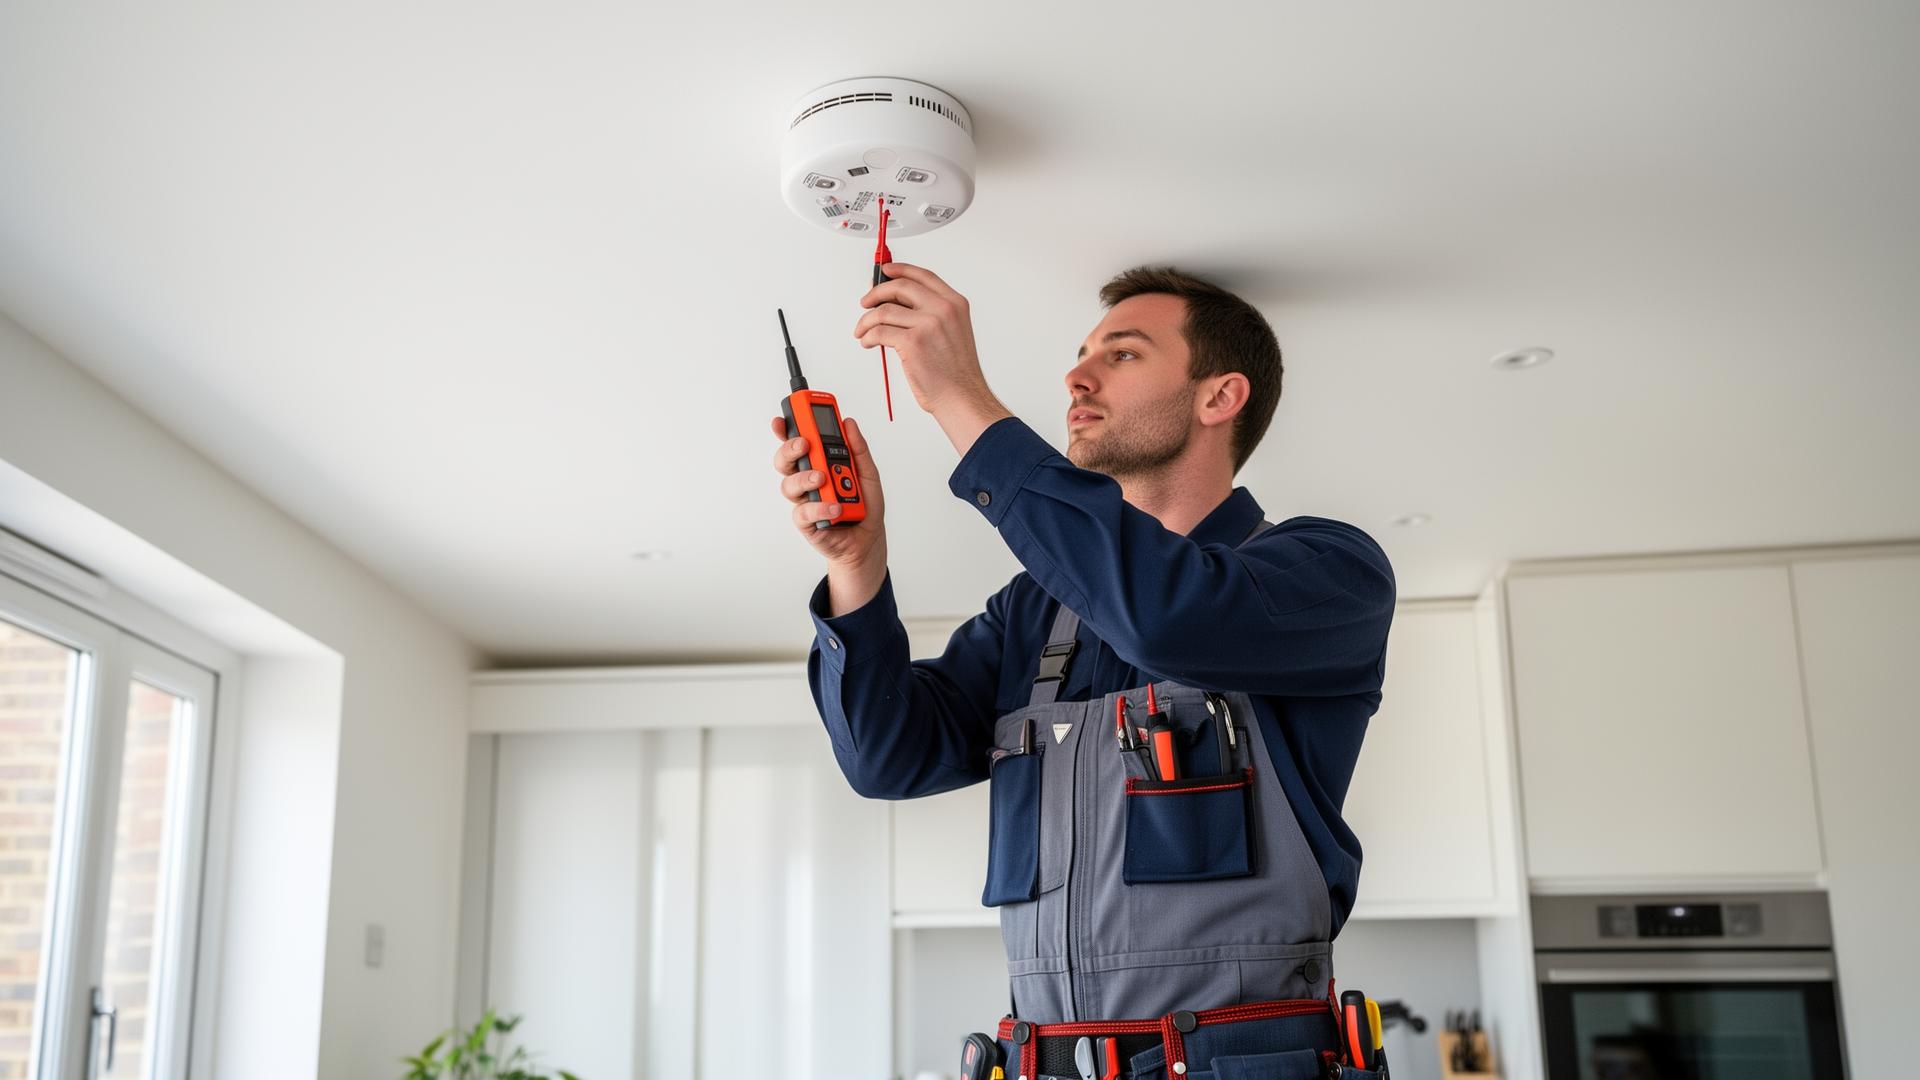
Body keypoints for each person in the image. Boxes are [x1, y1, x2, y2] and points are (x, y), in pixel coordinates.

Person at [769, 263, 1396, 1076]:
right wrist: (857, 564)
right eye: (1082, 352)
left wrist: (963, 399)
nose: (1076, 373)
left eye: (1124, 354)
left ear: (1220, 397)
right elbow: (888, 756)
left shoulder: (1327, 573)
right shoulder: (1036, 613)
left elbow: (1167, 617)